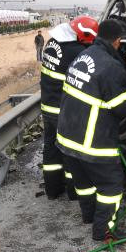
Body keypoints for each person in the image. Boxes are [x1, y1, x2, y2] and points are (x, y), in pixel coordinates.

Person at [57, 19, 126, 242]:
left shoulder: (83, 55)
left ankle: (89, 216)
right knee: (112, 187)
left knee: (85, 184)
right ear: (117, 41)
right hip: (92, 143)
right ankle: (102, 230)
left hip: (67, 138)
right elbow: (121, 109)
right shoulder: (112, 67)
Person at [40, 16, 98, 200]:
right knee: (70, 152)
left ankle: (53, 190)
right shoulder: (74, 51)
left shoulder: (52, 42)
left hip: (47, 105)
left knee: (50, 149)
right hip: (62, 110)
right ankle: (74, 192)